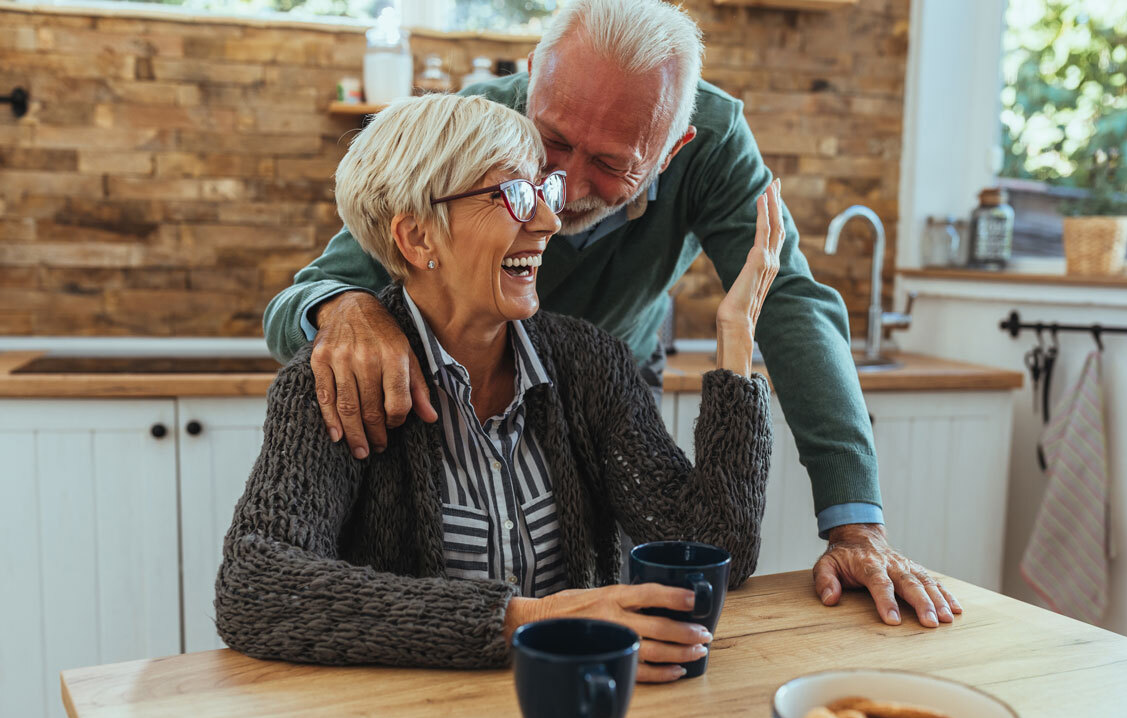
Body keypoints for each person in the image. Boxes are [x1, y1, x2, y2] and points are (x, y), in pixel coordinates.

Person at [261, 0, 962, 628]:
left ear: (674, 148)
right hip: (438, 398)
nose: (558, 194)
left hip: (607, 385)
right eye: (552, 143)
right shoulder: (472, 138)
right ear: (532, 76)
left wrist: (854, 523)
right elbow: (319, 285)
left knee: (599, 568)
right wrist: (346, 307)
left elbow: (789, 303)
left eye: (609, 163)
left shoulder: (712, 146)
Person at [216, 93, 780, 682]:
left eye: (543, 191)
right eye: (512, 196)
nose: (548, 221)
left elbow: (715, 546)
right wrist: (528, 619)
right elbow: (255, 585)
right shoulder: (334, 384)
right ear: (417, 239)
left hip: (579, 713)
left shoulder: (591, 366)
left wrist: (737, 338)